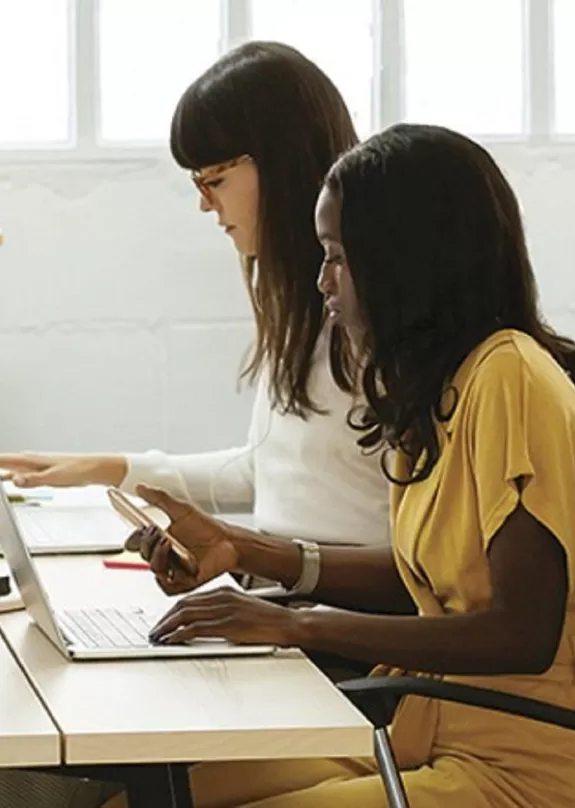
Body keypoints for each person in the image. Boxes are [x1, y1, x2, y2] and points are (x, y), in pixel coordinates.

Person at [107, 123, 575, 807]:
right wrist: (245, 550)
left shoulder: (509, 377)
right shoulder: (442, 386)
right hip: (423, 733)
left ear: (403, 262)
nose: (322, 280)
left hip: (517, 769)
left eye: (336, 256)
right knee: (149, 792)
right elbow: (419, 583)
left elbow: (521, 632)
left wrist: (299, 624)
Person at [0, 41, 390, 553]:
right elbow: (266, 470)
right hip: (289, 597)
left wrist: (274, 585)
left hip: (334, 613)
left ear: (281, 162)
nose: (206, 206)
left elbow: (402, 546)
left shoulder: (376, 317)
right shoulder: (299, 309)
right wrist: (106, 469)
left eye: (215, 181)